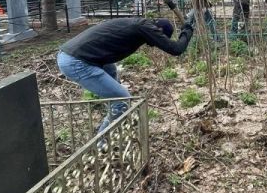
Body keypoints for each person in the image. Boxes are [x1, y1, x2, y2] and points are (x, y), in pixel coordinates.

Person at [57, 15, 193, 136]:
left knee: (112, 72)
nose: (155, 44)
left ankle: (117, 118)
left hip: (79, 56)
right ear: (159, 31)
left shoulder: (138, 24)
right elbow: (176, 49)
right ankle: (101, 142)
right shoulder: (145, 28)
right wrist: (187, 30)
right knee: (122, 99)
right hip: (76, 61)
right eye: (159, 39)